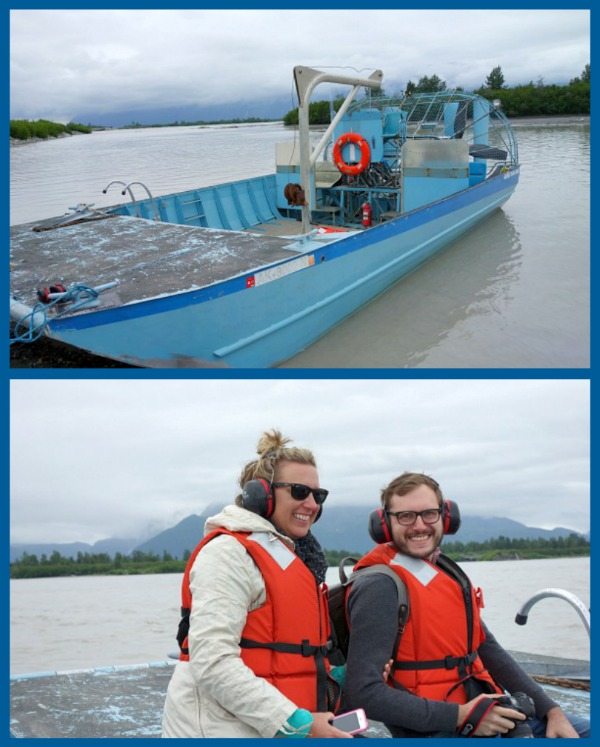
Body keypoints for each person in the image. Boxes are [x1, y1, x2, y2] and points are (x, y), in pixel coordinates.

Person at [342, 472, 590, 738]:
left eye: (429, 513)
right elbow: (363, 692)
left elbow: (487, 648)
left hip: (485, 711)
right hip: (439, 728)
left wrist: (551, 711)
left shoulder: (444, 573)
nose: (419, 525)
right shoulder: (380, 585)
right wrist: (462, 717)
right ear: (384, 524)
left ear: (446, 517)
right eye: (405, 516)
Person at [161, 429, 351, 738]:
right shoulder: (228, 554)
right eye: (300, 492)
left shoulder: (295, 559)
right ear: (260, 494)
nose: (312, 504)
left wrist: (338, 676)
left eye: (319, 495)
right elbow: (212, 661)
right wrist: (296, 724)